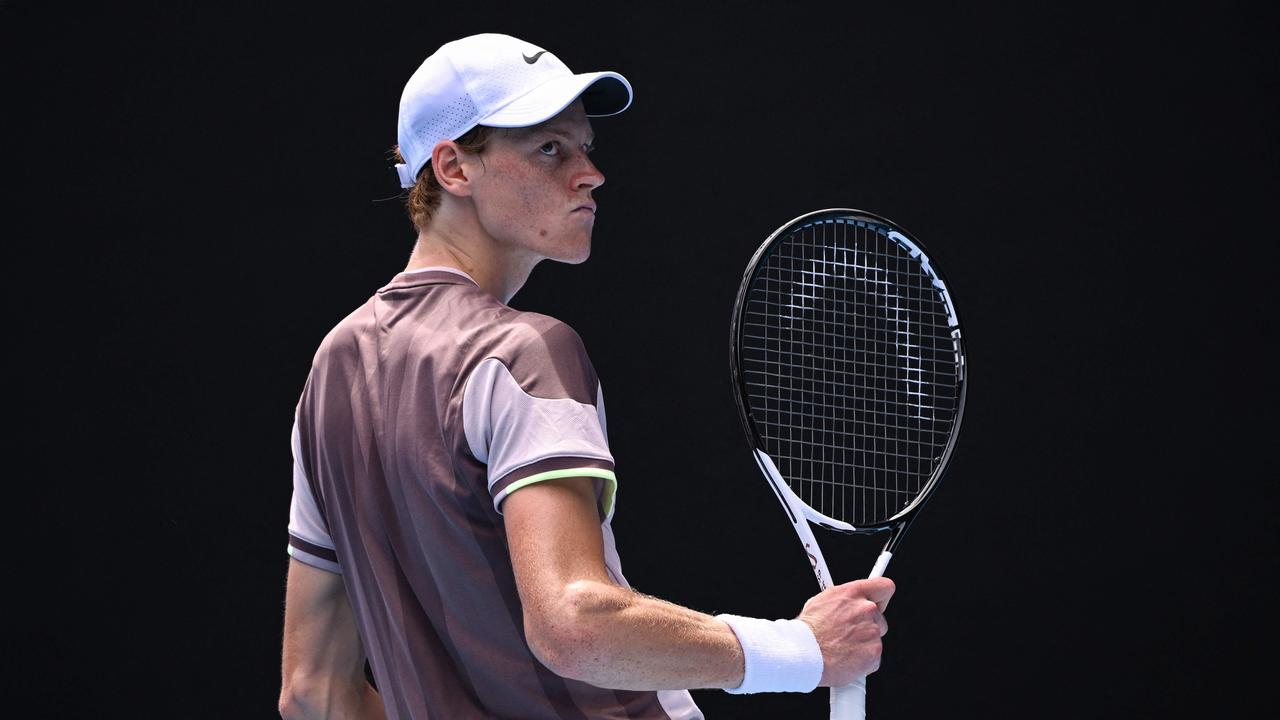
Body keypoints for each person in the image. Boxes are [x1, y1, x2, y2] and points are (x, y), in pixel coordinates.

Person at [278, 32, 895, 720]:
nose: (589, 173)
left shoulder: (332, 372)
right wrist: (803, 651)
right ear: (453, 168)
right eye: (549, 149)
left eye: (585, 148)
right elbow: (574, 625)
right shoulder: (523, 352)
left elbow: (313, 692)